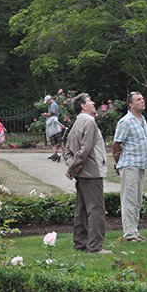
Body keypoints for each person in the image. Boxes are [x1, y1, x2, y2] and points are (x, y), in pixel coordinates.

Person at [63, 93, 111, 255]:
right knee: (96, 210)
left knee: (82, 210)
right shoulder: (89, 122)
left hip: (82, 173)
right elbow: (85, 149)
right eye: (90, 101)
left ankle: (80, 243)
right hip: (92, 173)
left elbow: (67, 151)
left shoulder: (76, 123)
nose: (94, 103)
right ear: (83, 106)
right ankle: (95, 246)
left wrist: (72, 167)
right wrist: (74, 167)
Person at [112, 91, 147, 242]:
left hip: (141, 165)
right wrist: (118, 164)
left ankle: (134, 231)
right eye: (138, 99)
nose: (142, 101)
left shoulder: (142, 119)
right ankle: (129, 234)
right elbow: (116, 144)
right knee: (129, 200)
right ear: (130, 104)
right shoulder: (125, 121)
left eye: (142, 98)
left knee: (137, 200)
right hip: (129, 165)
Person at [43, 94, 66, 160]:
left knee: (58, 141)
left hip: (54, 126)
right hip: (53, 126)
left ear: (49, 100)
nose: (47, 103)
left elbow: (53, 113)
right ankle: (55, 154)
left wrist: (46, 115)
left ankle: (65, 154)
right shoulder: (52, 105)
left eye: (47, 101)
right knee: (55, 141)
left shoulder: (53, 105)